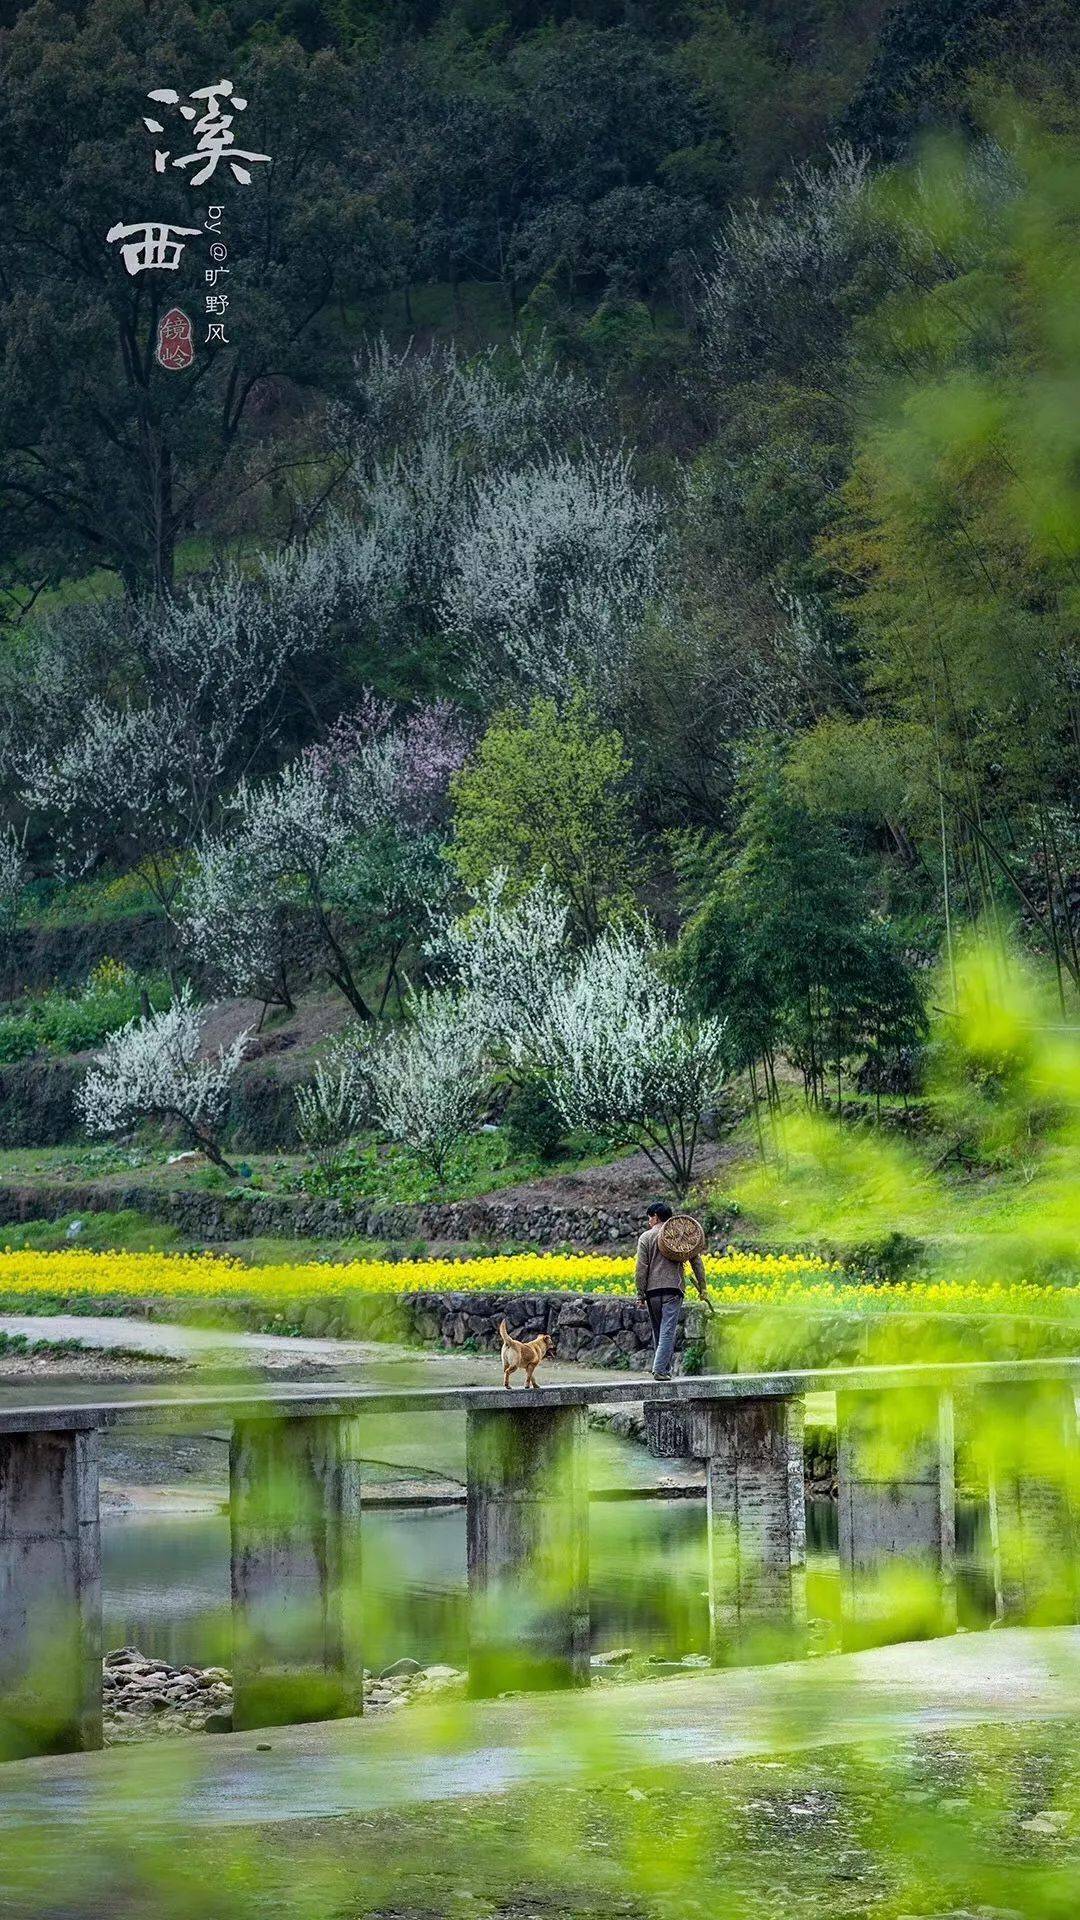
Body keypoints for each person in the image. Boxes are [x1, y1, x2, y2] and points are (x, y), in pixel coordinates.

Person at [635, 1200, 709, 1379]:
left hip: (652, 1291)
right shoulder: (679, 1235)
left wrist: (640, 1293)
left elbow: (641, 1268)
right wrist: (703, 1288)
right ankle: (661, 1370)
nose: (648, 1222)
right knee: (667, 1331)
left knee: (659, 1332)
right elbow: (696, 1262)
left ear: (656, 1216)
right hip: (673, 1290)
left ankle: (662, 1370)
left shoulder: (646, 1237)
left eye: (650, 1217)